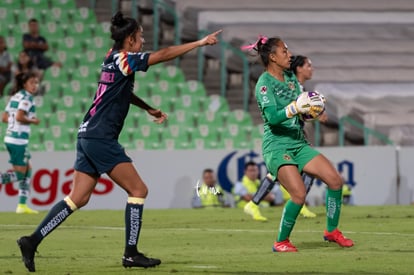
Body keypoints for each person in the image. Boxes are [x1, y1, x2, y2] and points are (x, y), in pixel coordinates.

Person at [17, 11, 221, 272]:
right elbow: (164, 54)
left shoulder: (110, 57)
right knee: (138, 190)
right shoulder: (125, 58)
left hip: (86, 133)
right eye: (141, 36)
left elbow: (120, 91)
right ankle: (131, 253)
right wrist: (199, 43)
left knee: (78, 198)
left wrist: (148, 108)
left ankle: (31, 241)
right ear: (130, 39)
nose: (143, 41)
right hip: (101, 137)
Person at [244, 35, 353, 252]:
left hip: (298, 142)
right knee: (299, 194)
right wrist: (295, 107)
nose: (289, 54)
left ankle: (331, 231)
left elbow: (299, 115)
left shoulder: (291, 79)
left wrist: (313, 110)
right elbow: (273, 118)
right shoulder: (264, 85)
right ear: (273, 57)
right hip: (277, 145)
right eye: (285, 51)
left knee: (335, 180)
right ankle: (281, 241)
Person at [244, 55, 323, 221]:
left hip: (295, 133)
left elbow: (301, 114)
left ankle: (255, 204)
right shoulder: (289, 86)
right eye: (308, 65)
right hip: (283, 136)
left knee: (281, 173)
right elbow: (283, 112)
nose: (312, 69)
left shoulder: (296, 86)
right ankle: (295, 204)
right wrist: (312, 113)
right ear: (299, 68)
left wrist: (314, 112)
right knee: (297, 171)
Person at [1, 72, 40, 214]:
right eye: (32, 83)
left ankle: (22, 205)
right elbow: (19, 116)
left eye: (36, 83)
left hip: (11, 138)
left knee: (28, 168)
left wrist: (16, 122)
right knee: (19, 175)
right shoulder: (27, 98)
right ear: (25, 84)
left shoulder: (15, 96)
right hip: (18, 140)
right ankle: (21, 206)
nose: (35, 86)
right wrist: (33, 120)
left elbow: (5, 117)